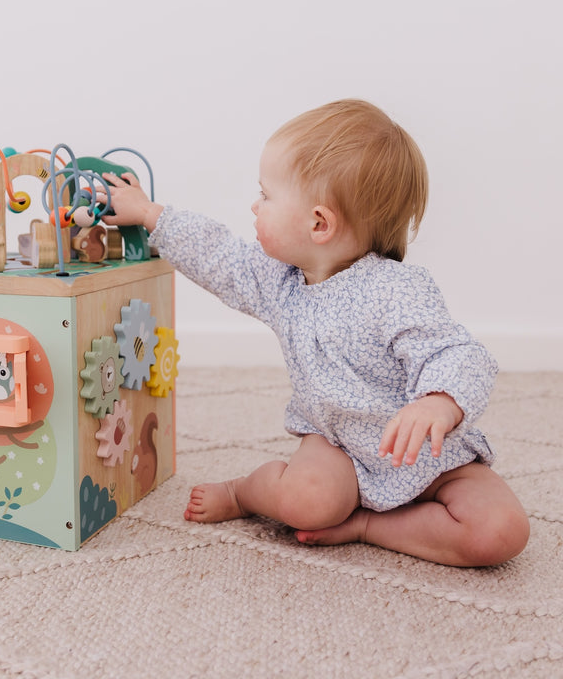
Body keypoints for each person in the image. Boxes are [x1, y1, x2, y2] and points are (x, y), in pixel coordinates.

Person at [100, 99, 529, 567]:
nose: (254, 205)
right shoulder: (280, 282)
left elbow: (456, 351)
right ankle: (245, 493)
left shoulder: (396, 289)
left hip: (429, 461)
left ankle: (367, 526)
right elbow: (219, 255)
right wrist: (148, 213)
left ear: (318, 223)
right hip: (337, 448)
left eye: (265, 195)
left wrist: (439, 402)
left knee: (500, 532)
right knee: (308, 503)